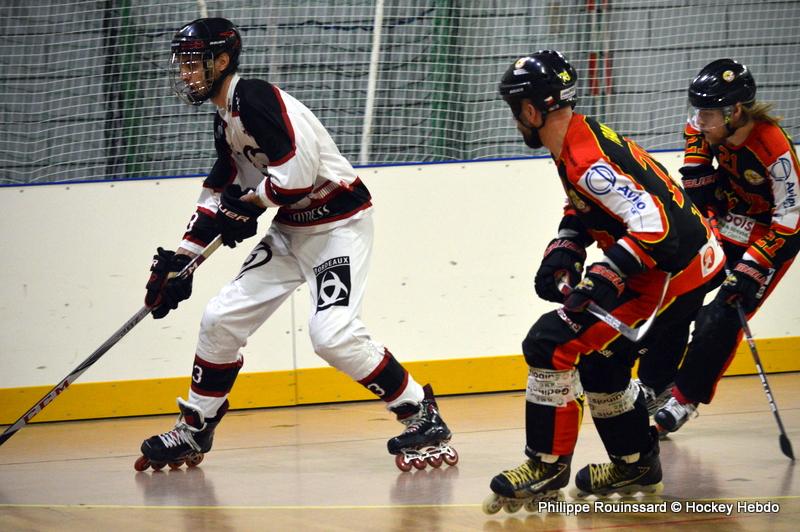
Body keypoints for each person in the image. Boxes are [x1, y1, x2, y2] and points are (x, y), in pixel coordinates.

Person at [134, 17, 457, 472]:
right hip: (292, 229)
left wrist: (248, 204)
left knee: (332, 334)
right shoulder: (226, 118)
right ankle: (196, 425)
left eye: (193, 62)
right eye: (183, 63)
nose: (185, 72)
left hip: (339, 227)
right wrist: (181, 260)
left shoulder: (257, 99)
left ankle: (420, 412)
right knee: (220, 319)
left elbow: (296, 177)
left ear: (221, 61)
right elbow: (219, 191)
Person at [483, 50, 725, 513]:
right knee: (601, 365)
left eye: (516, 111)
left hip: (675, 270)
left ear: (531, 110)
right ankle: (635, 462)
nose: (516, 120)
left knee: (550, 342)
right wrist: (566, 248)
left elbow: (658, 228)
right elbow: (592, 203)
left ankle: (546, 464)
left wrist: (606, 273)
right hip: (676, 262)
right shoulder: (577, 139)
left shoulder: (584, 157)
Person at [649, 59, 800, 433]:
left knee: (720, 315)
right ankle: (655, 382)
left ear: (735, 111)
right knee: (678, 291)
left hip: (771, 233)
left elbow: (792, 219)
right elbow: (697, 182)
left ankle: (684, 399)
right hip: (730, 219)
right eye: (698, 112)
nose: (699, 121)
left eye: (709, 114)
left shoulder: (774, 149)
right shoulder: (703, 127)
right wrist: (708, 207)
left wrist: (752, 268)